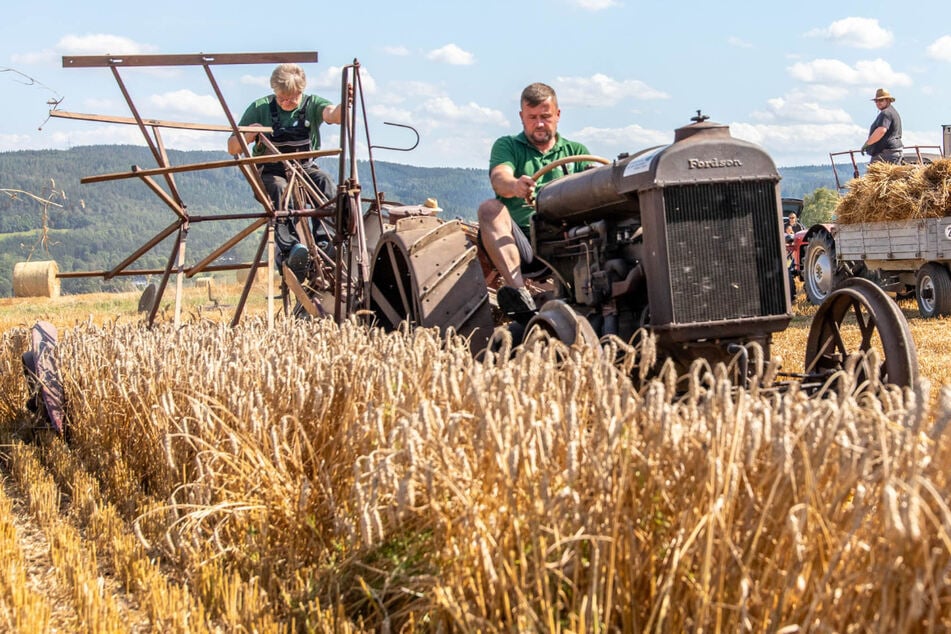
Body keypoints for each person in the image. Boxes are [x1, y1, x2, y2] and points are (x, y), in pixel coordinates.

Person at [477, 82, 591, 317]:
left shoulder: (576, 151)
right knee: (489, 209)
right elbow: (500, 177)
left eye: (545, 116)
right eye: (532, 117)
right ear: (521, 117)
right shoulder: (508, 145)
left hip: (568, 239)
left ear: (558, 115)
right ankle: (520, 296)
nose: (539, 123)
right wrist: (515, 185)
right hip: (524, 244)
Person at [227, 63, 344, 281]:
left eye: (292, 98)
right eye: (282, 98)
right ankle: (292, 250)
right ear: (274, 92)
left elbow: (332, 115)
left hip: (304, 168)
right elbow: (232, 147)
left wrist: (344, 107)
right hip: (271, 170)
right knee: (279, 189)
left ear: (302, 91)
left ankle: (326, 242)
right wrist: (248, 134)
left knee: (325, 181)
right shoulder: (260, 107)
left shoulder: (312, 104)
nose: (287, 103)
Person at [861, 88, 902, 164]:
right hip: (893, 152)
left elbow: (881, 131)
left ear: (888, 100)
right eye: (876, 101)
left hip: (885, 153)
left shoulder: (885, 113)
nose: (878, 103)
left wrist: (867, 144)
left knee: (873, 175)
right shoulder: (892, 111)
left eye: (881, 100)